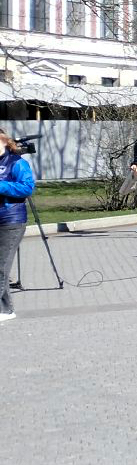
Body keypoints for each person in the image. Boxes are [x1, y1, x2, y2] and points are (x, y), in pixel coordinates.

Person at [0, 130, 36, 323]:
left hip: (11, 220)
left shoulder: (17, 162)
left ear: (5, 142)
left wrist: (1, 186)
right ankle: (5, 309)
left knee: (1, 266)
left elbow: (27, 188)